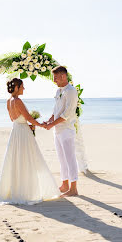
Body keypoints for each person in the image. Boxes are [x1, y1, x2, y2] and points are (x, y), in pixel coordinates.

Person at [0, 78, 60, 205]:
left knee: (16, 159)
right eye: (22, 86)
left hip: (16, 131)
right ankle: (27, 191)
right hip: (23, 133)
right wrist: (41, 125)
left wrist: (26, 125)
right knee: (28, 159)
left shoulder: (8, 101)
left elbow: (13, 118)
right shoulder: (18, 101)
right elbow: (28, 117)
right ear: (17, 87)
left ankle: (17, 189)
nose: (24, 89)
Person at [43, 66, 79, 197]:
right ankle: (65, 185)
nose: (54, 81)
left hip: (66, 130)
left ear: (63, 76)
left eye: (56, 78)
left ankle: (74, 188)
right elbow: (56, 109)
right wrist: (49, 120)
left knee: (70, 159)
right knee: (61, 159)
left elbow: (67, 114)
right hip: (57, 131)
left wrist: (52, 124)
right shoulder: (59, 91)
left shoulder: (71, 91)